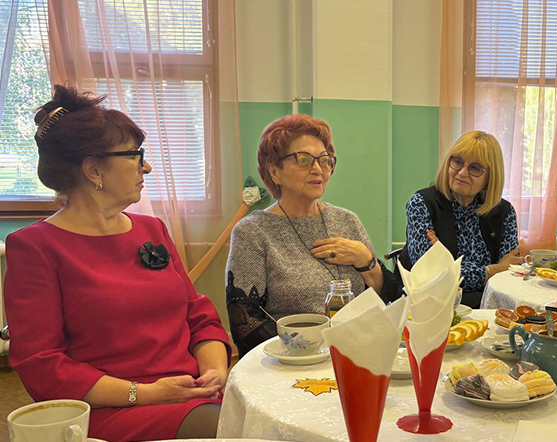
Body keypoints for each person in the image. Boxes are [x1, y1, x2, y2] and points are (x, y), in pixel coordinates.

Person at [4, 85, 231, 441]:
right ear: (94, 169)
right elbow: (43, 365)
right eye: (135, 156)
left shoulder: (152, 229)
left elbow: (199, 316)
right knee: (234, 428)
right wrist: (147, 394)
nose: (147, 167)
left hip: (191, 395)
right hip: (113, 409)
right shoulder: (35, 247)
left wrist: (214, 371)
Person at [225, 114, 394, 357]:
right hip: (292, 362)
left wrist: (366, 261)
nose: (318, 169)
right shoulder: (253, 232)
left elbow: (386, 299)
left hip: (358, 353)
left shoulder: (347, 220)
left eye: (325, 161)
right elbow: (245, 323)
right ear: (274, 172)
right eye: (303, 160)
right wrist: (312, 351)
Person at [400, 131, 523, 308]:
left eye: (475, 168)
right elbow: (430, 275)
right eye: (457, 162)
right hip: (432, 306)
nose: (462, 172)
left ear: (490, 177)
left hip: (488, 305)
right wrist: (491, 271)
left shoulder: (504, 212)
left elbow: (508, 274)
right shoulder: (421, 203)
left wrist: (447, 264)